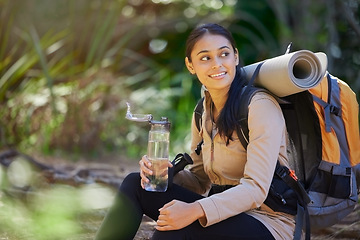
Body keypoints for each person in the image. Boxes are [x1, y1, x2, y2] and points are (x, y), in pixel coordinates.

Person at [95, 23, 295, 240]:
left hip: (266, 222)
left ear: (235, 57)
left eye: (224, 54)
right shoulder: (203, 111)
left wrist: (193, 211)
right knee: (136, 184)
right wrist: (164, 173)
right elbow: (200, 180)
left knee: (173, 228)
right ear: (190, 66)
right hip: (221, 213)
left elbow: (256, 189)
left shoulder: (259, 106)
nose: (217, 64)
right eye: (205, 58)